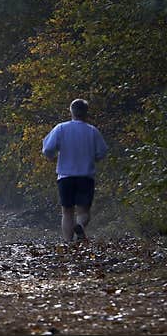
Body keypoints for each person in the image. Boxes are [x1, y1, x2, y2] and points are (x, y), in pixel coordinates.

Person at [42, 99, 108, 243]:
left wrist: (52, 158)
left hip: (65, 176)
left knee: (67, 211)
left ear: (71, 111)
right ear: (86, 113)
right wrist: (93, 158)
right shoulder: (92, 131)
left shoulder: (61, 128)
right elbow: (102, 151)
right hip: (85, 176)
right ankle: (80, 226)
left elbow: (47, 149)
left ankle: (67, 242)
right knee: (83, 211)